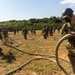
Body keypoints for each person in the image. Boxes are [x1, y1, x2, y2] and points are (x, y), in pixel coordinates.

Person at [61, 8, 75, 73]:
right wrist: (68, 34)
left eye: (66, 17)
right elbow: (62, 36)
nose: (65, 19)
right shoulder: (65, 26)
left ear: (71, 15)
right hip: (72, 50)